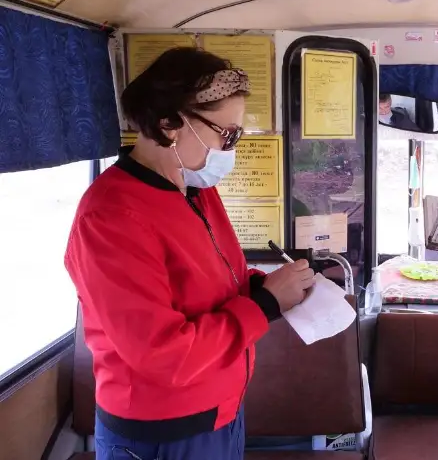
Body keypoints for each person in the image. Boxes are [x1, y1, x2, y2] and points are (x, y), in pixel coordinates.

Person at [64, 47, 315, 460]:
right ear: (169, 124)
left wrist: (262, 285)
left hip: (221, 410)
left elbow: (213, 280)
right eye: (227, 134)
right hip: (162, 433)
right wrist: (266, 304)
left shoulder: (195, 190)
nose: (231, 148)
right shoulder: (111, 217)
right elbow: (163, 355)